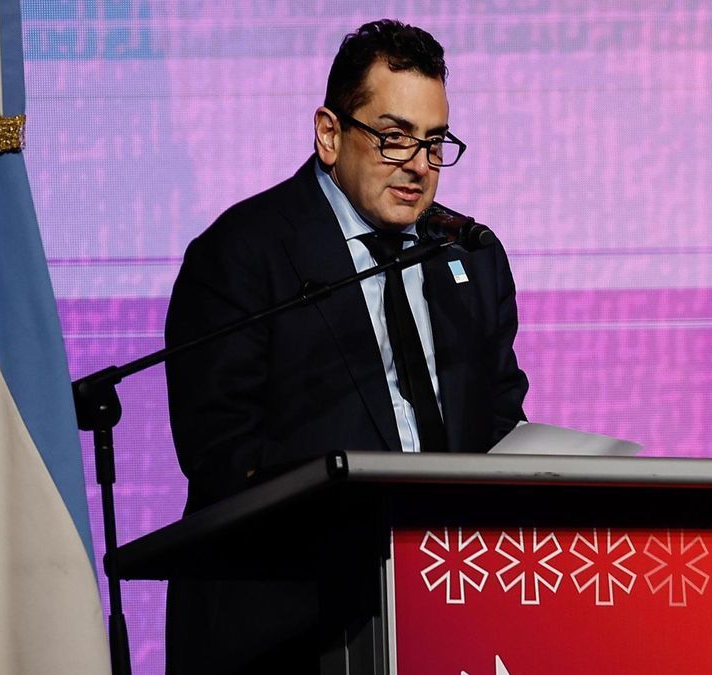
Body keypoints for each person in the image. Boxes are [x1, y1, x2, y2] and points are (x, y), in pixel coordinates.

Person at [164, 19, 529, 673]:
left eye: (435, 142)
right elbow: (221, 454)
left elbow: (499, 422)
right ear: (330, 134)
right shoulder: (243, 254)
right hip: (288, 628)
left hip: (444, 617)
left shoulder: (472, 257)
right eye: (394, 138)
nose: (418, 165)